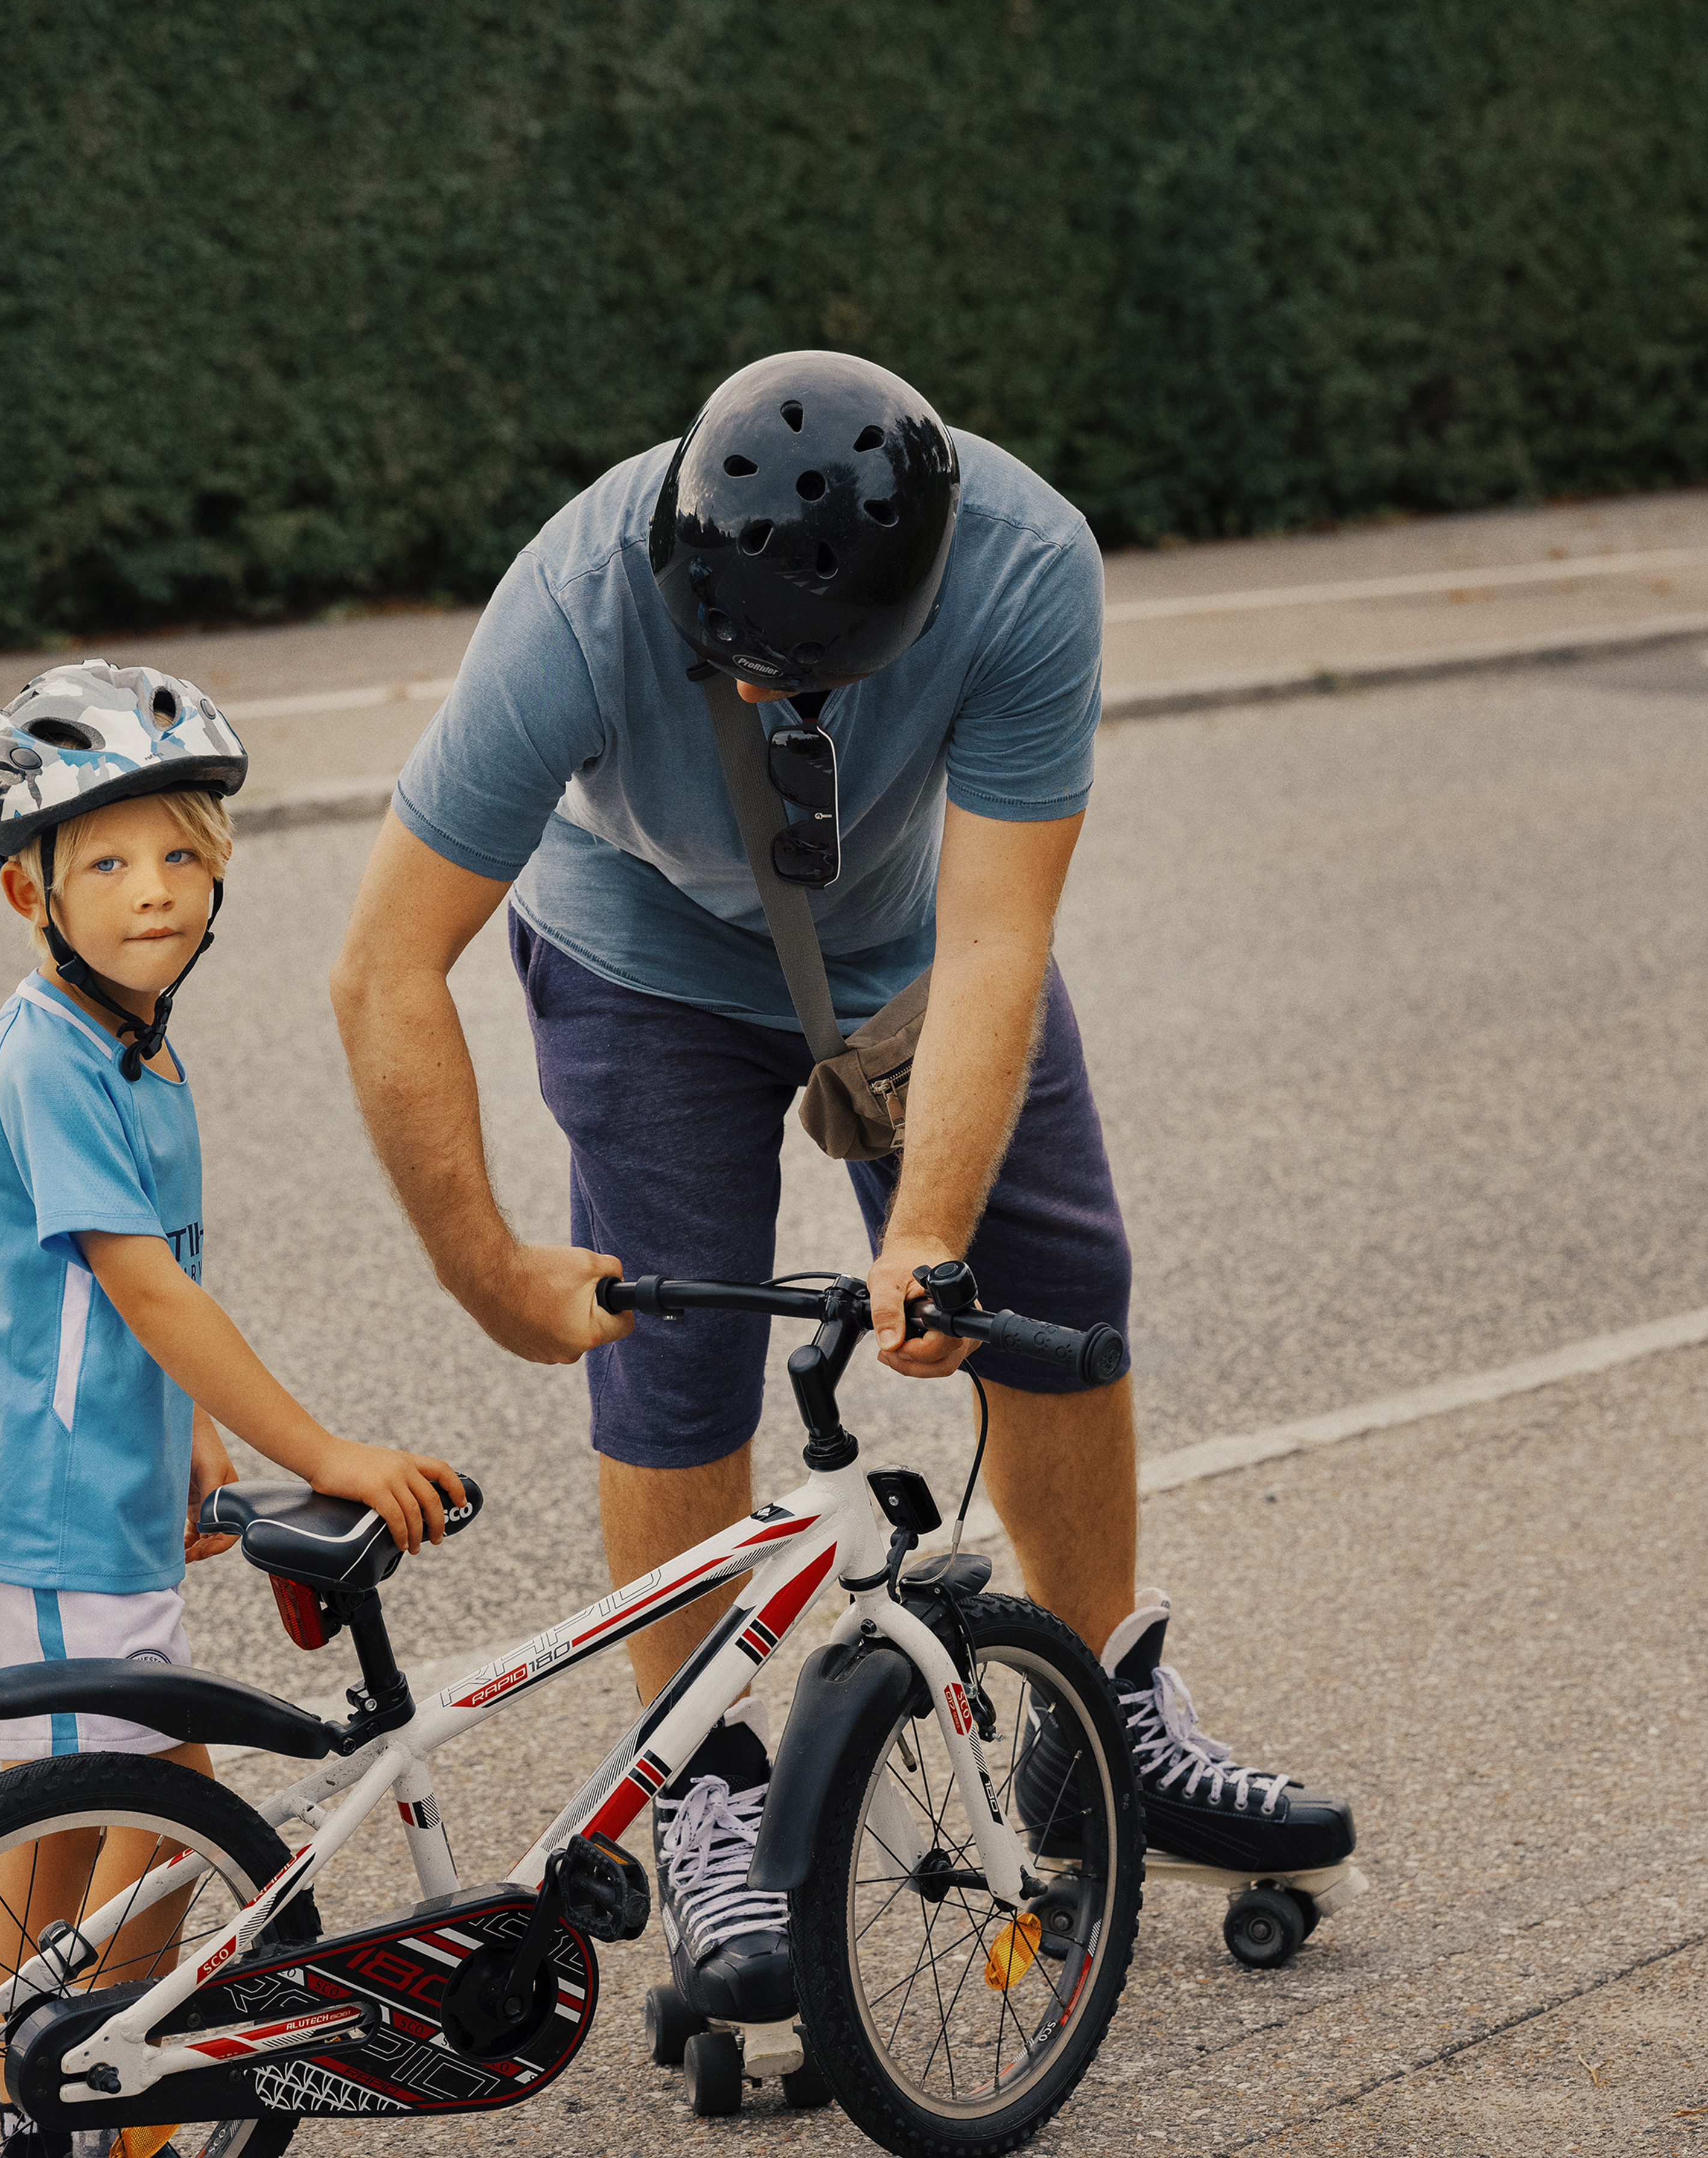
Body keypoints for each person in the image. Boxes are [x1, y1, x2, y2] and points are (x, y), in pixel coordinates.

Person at [331, 352, 1353, 2026]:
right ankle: (706, 1787)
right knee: (669, 1353)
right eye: (722, 662)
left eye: (788, 681)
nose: (748, 702)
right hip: (640, 951)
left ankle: (1094, 1717)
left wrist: (933, 1226)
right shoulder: (580, 600)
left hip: (910, 953)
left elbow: (1003, 927)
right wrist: (492, 1270)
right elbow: (383, 966)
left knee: (1052, 1305)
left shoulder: (1025, 567)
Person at [0, 659, 465, 2154]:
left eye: (179, 857)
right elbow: (152, 1291)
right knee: (165, 1810)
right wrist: (322, 1451)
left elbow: (121, 1291)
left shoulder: (134, 1048)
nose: (151, 890)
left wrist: (194, 1435)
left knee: (73, 1816)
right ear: (31, 894)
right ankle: (104, 2104)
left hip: (82, 1493)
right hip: (43, 1507)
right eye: (105, 862)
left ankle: (42, 2089)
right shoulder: (53, 1055)